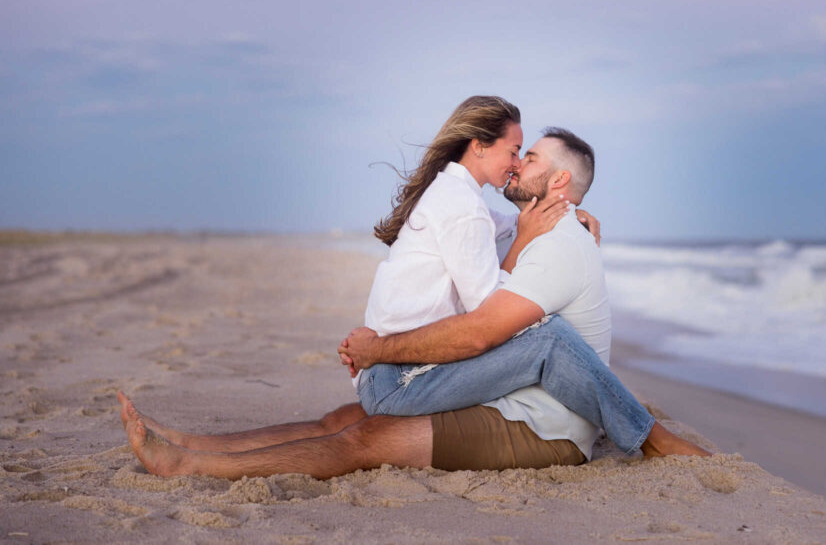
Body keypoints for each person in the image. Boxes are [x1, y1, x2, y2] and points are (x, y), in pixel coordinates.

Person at [118, 126, 709, 479]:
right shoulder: (524, 226)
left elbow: (480, 334)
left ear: (557, 183)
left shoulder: (559, 244)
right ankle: (194, 443)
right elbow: (488, 254)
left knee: (365, 442)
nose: (517, 161)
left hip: (542, 427)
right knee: (341, 420)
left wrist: (379, 349)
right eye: (518, 150)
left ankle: (190, 467)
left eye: (530, 159)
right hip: (503, 395)